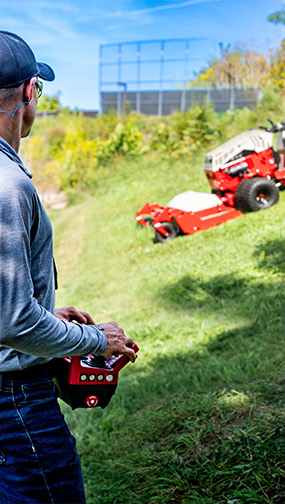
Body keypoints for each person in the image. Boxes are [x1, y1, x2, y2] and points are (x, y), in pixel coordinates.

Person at [0, 30, 140, 503]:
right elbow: (13, 320)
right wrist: (99, 339)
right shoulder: (7, 186)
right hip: (15, 405)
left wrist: (48, 313)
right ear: (28, 92)